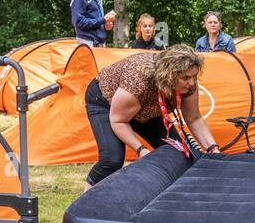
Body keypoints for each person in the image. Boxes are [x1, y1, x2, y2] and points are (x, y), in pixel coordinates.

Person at [83, 44, 221, 188]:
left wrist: (213, 149)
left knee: (178, 154)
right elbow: (118, 121)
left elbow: (194, 118)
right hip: (106, 102)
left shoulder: (188, 83)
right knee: (112, 160)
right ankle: (83, 203)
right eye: (186, 77)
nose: (192, 83)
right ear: (169, 76)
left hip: (148, 108)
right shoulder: (138, 80)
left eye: (194, 76)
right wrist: (141, 149)